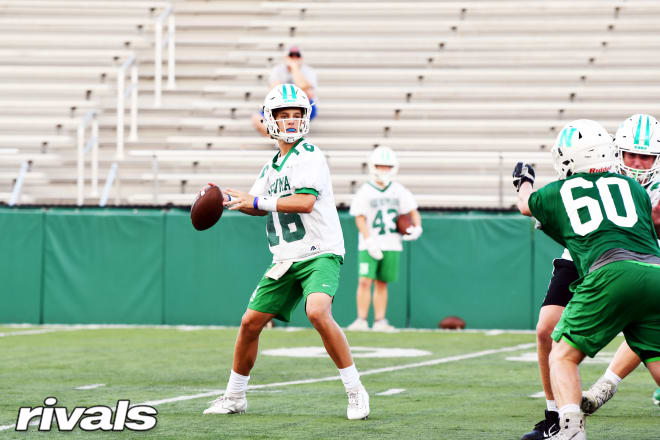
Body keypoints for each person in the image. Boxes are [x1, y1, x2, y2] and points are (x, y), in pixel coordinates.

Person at [203, 84, 369, 420]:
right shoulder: (271, 166)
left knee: (318, 312)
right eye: (284, 115)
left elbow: (304, 203)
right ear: (271, 119)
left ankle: (355, 390)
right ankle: (235, 396)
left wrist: (255, 201)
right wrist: (231, 201)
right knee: (250, 323)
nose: (292, 121)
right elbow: (258, 206)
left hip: (320, 251)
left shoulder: (310, 155)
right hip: (286, 257)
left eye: (297, 114)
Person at [514, 119, 660, 440]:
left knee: (564, 353)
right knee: (548, 329)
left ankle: (568, 425)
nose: (637, 163)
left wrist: (523, 182)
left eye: (646, 156)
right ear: (613, 151)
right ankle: (555, 414)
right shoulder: (635, 189)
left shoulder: (562, 188)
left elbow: (529, 205)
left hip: (606, 266)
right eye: (630, 154)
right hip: (641, 265)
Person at [346, 146, 422, 331]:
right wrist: (369, 240)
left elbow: (412, 211)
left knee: (382, 282)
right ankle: (361, 320)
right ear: (373, 166)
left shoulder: (398, 190)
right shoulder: (366, 190)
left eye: (387, 166)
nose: (384, 170)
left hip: (391, 243)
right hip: (369, 243)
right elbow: (360, 217)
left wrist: (417, 228)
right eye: (380, 166)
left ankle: (380, 320)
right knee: (365, 280)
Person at [252, 45, 318, 138]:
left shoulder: (309, 71)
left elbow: (308, 93)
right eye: (291, 55)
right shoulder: (277, 70)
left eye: (297, 55)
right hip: (282, 104)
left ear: (301, 58)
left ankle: (293, 138)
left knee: (297, 111)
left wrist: (294, 68)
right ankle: (279, 139)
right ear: (286, 57)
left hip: (302, 105)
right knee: (257, 119)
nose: (294, 58)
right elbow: (274, 91)